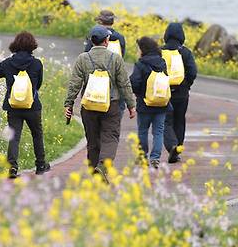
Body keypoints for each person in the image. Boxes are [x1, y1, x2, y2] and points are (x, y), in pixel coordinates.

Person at [65, 26, 136, 175]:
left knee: (92, 141)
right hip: (112, 105)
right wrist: (131, 105)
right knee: (110, 137)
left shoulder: (82, 58)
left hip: (89, 106)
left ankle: (93, 172)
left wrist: (69, 104)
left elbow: (74, 84)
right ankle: (103, 166)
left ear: (91, 41)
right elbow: (124, 83)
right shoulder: (115, 58)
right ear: (106, 40)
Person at [0, 31, 49, 178]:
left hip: (13, 106)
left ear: (15, 45)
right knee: (37, 134)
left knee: (14, 136)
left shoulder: (8, 63)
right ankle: (40, 165)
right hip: (33, 106)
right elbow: (39, 84)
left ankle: (12, 167)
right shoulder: (37, 64)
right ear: (32, 45)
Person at [129, 37, 172, 168]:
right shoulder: (162, 62)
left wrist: (138, 93)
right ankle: (155, 158)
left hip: (144, 103)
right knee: (158, 132)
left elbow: (135, 82)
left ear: (143, 49)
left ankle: (142, 157)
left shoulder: (141, 64)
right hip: (161, 103)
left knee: (142, 130)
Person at [161, 22, 197, 163]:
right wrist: (186, 85)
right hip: (182, 93)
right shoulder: (186, 52)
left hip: (164, 92)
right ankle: (178, 147)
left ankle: (171, 146)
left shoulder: (161, 51)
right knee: (180, 120)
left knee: (166, 121)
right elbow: (192, 72)